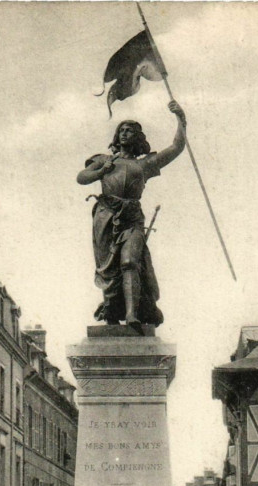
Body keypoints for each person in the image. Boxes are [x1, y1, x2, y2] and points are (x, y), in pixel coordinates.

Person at [77, 100, 187, 329]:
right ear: (117, 136)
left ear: (138, 138)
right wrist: (101, 171)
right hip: (105, 216)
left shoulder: (145, 164)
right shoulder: (104, 160)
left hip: (132, 218)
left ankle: (131, 315)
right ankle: (111, 312)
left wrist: (181, 120)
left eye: (130, 131)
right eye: (122, 130)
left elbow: (175, 148)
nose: (125, 133)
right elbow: (81, 177)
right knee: (108, 269)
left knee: (129, 262)